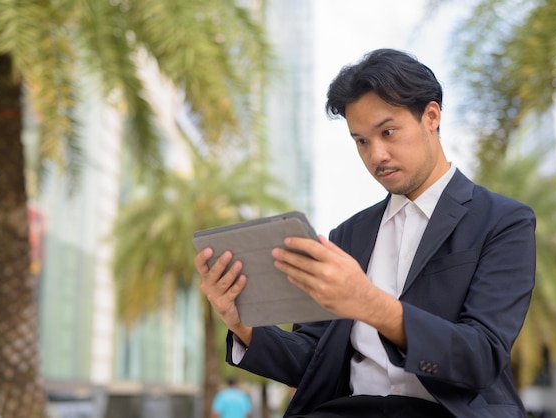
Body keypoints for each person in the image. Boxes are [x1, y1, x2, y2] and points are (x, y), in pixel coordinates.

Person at [195, 48, 536, 418]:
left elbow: (481, 356)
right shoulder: (347, 236)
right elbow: (313, 363)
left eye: (387, 132)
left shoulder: (503, 221)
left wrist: (369, 303)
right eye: (361, 141)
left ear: (431, 117)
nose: (377, 155)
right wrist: (242, 324)